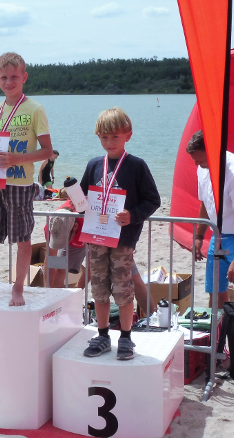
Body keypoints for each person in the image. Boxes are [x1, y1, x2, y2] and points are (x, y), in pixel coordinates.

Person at [0, 52, 53, 306]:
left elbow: (47, 151)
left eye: (14, 77)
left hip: (20, 184)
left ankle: (18, 287)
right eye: (4, 77)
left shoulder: (35, 109)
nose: (9, 82)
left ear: (24, 77)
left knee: (22, 239)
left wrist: (17, 159)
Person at [79, 107, 161, 360]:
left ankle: (126, 337)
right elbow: (82, 199)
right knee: (99, 289)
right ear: (98, 137)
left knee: (123, 289)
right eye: (104, 137)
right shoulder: (94, 164)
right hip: (96, 237)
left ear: (128, 135)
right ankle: (103, 335)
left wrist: (132, 215)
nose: (110, 142)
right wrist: (74, 199)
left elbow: (153, 200)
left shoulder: (136, 166)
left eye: (115, 136)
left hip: (123, 240)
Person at [186, 130, 234, 309]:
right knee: (214, 290)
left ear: (212, 153)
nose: (197, 164)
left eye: (200, 160)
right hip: (219, 236)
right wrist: (199, 236)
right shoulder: (202, 168)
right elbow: (205, 202)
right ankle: (218, 327)